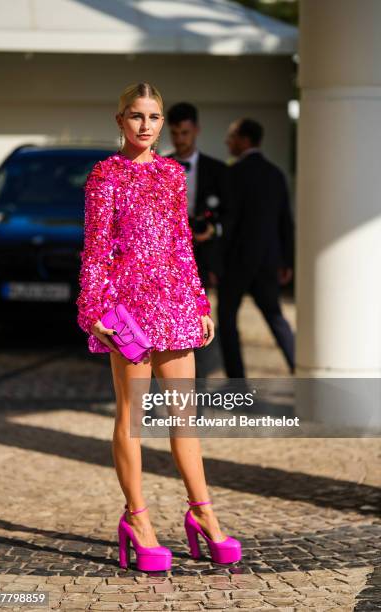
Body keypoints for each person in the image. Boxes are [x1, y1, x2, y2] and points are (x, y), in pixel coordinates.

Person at [76, 82, 241, 571]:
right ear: (119, 120)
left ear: (162, 122)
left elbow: (181, 244)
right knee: (132, 419)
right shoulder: (104, 177)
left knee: (183, 418)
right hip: (126, 312)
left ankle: (203, 515)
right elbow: (95, 249)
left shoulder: (172, 174)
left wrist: (198, 301)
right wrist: (95, 311)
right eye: (135, 116)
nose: (145, 125)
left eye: (153, 117)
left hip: (173, 304)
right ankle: (138, 520)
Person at [218, 118, 295, 379]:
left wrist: (217, 263)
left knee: (227, 320)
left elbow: (228, 222)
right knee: (276, 317)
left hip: (236, 261)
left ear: (244, 139)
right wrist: (287, 261)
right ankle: (298, 367)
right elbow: (286, 221)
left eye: (231, 136)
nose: (228, 142)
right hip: (268, 260)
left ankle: (236, 381)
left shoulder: (232, 173)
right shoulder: (276, 174)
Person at [166, 102, 228, 289]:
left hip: (205, 252)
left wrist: (213, 230)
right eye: (175, 134)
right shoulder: (160, 167)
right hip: (170, 251)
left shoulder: (218, 170)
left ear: (196, 130)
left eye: (185, 133)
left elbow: (230, 211)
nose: (179, 139)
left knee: (201, 311)